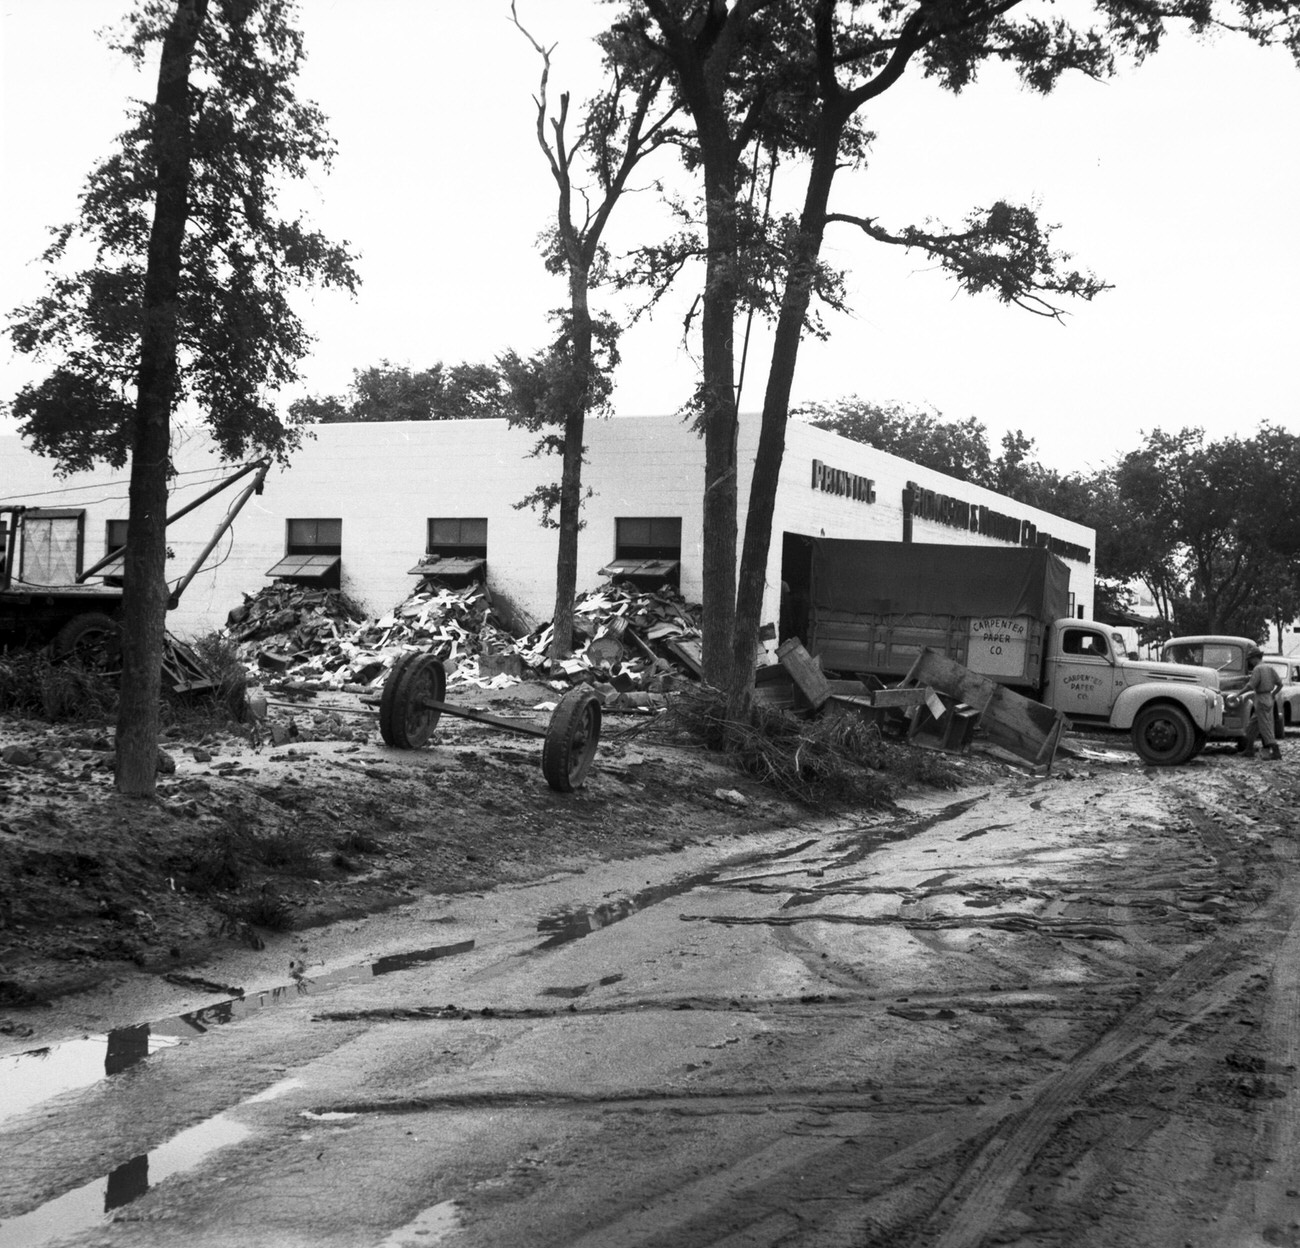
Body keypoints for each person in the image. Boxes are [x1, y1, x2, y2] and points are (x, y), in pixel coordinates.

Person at [1244, 646, 1283, 760]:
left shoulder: (1258, 669)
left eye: (1251, 659)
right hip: (1268, 698)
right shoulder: (1269, 668)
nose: (1250, 661)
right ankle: (1249, 749)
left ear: (1255, 658)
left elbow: (1251, 685)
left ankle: (1276, 751)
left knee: (1265, 727)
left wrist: (1238, 694)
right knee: (1251, 726)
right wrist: (1273, 694)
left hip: (1261, 698)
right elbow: (1280, 684)